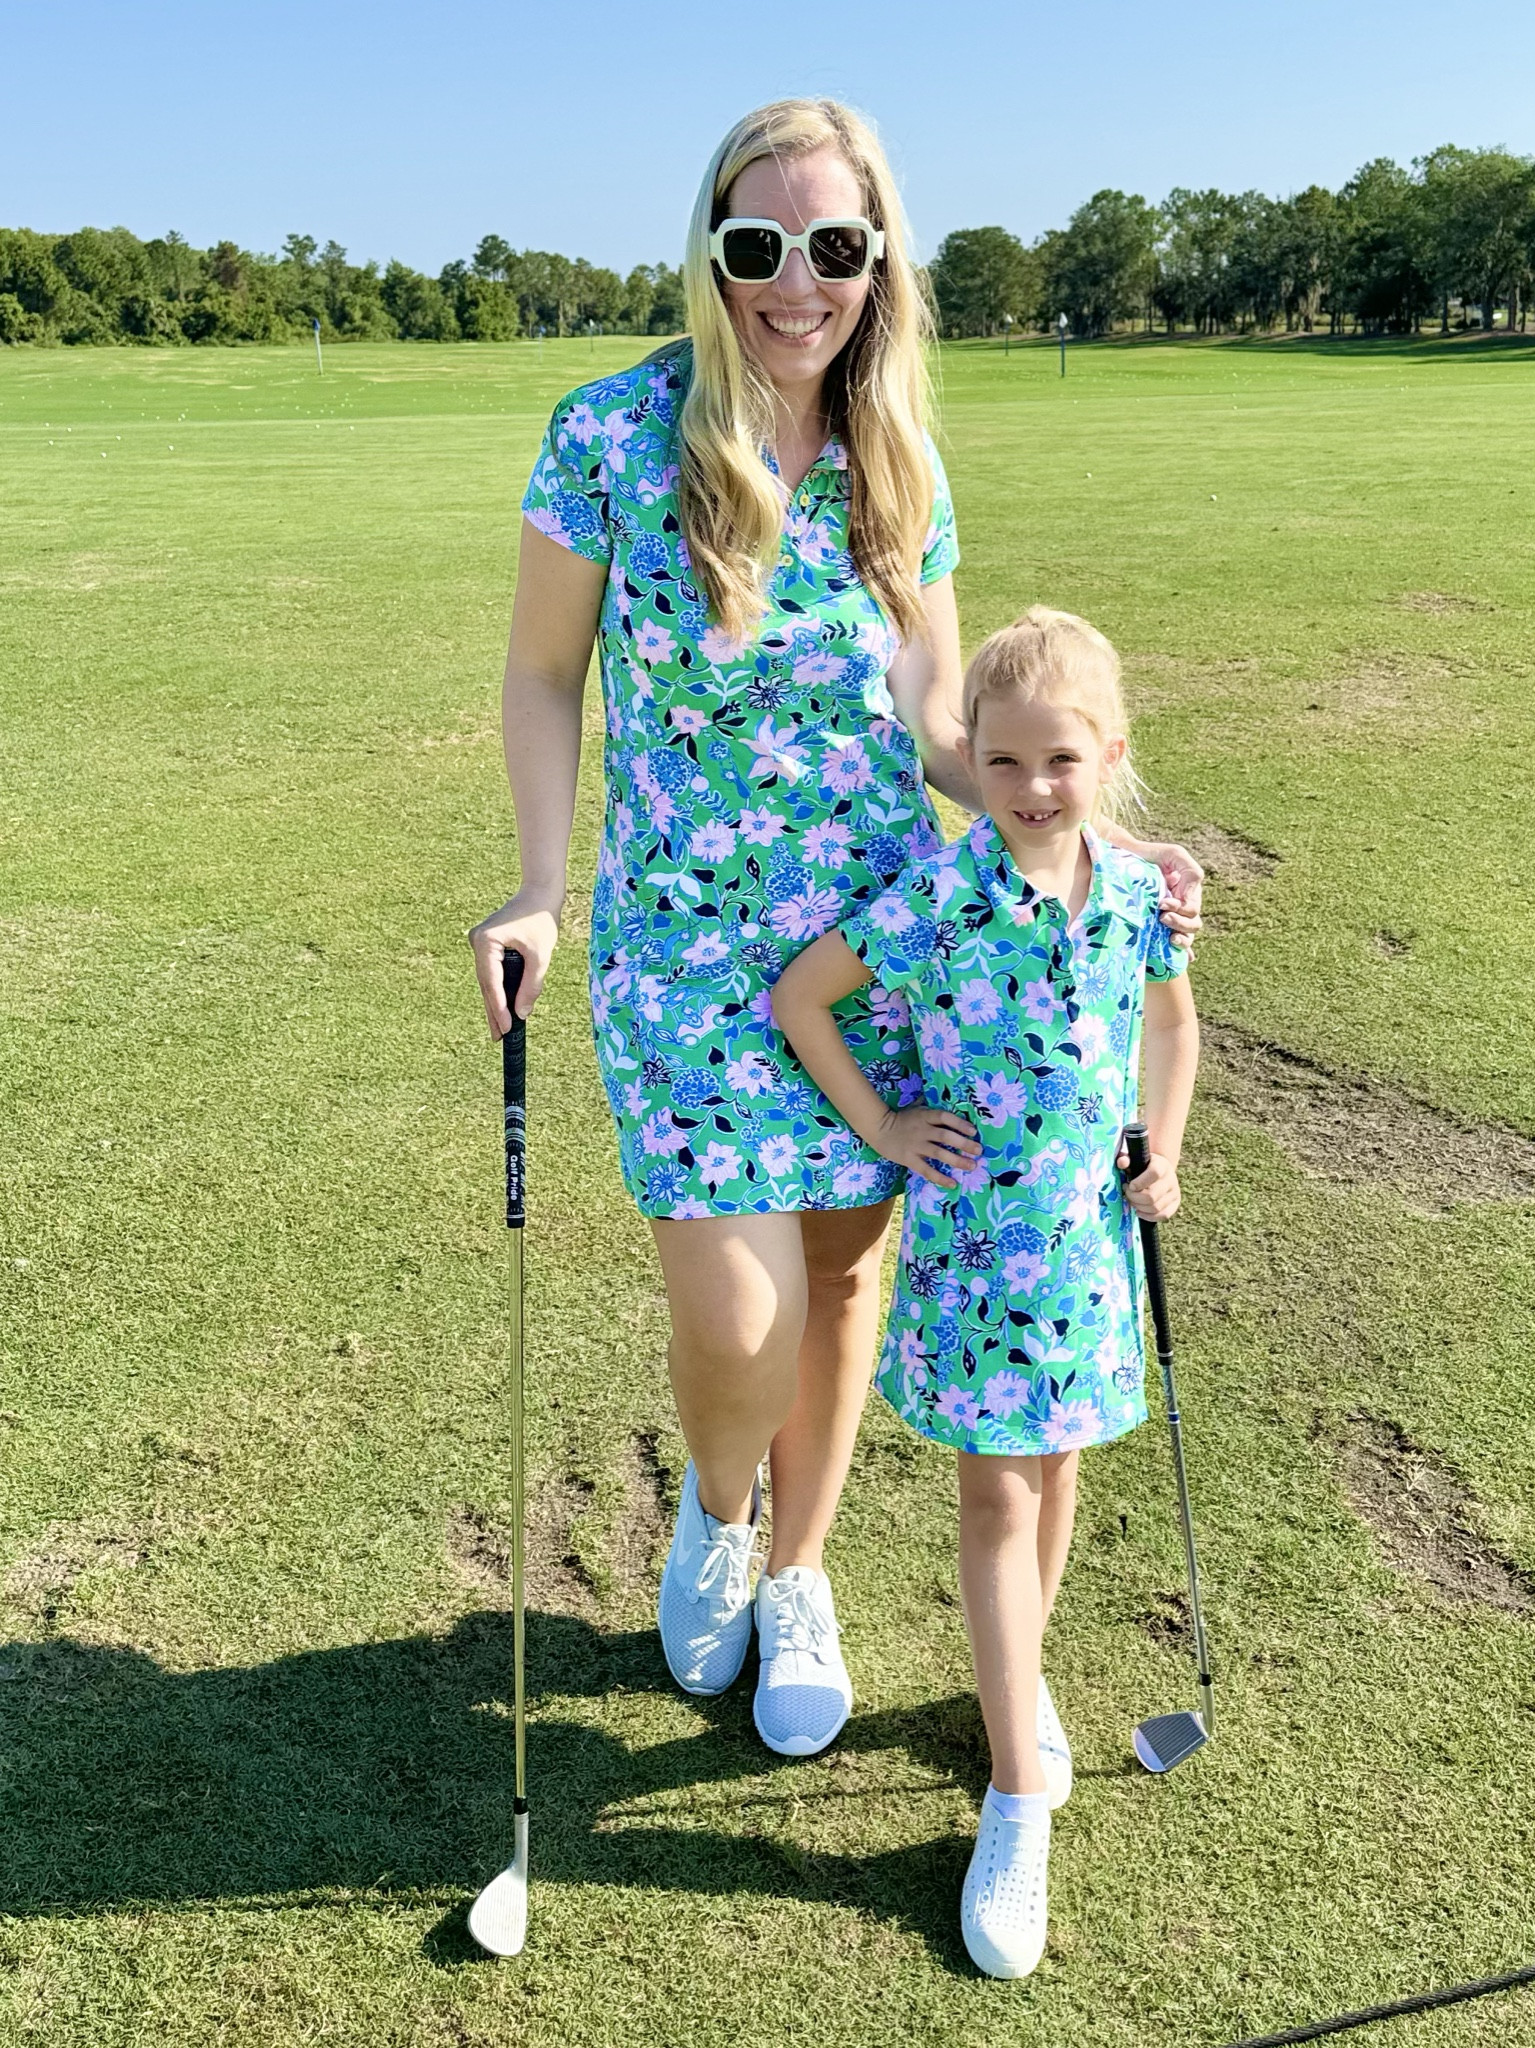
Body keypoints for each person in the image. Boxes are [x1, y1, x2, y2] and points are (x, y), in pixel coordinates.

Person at [469, 96, 1204, 1760]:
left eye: (834, 248)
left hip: (879, 943)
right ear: (711, 252)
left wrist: (1083, 827)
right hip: (679, 946)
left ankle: (798, 1569)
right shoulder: (608, 437)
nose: (793, 283)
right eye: (757, 246)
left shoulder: (899, 462)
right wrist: (537, 883)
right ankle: (719, 1514)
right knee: (738, 1323)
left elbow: (943, 712)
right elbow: (538, 675)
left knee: (843, 1278)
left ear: (881, 262)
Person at [771, 607, 1200, 1976]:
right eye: (1002, 763)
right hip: (975, 1259)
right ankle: (1017, 1789)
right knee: (996, 1494)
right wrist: (887, 1128)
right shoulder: (940, 893)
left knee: (1057, 1471)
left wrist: (1163, 1152)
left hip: (1081, 1249)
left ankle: (1015, 1697)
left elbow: (1169, 1021)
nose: (1029, 791)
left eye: (1058, 763)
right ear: (971, 759)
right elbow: (803, 999)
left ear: (1108, 756)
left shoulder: (1138, 893)